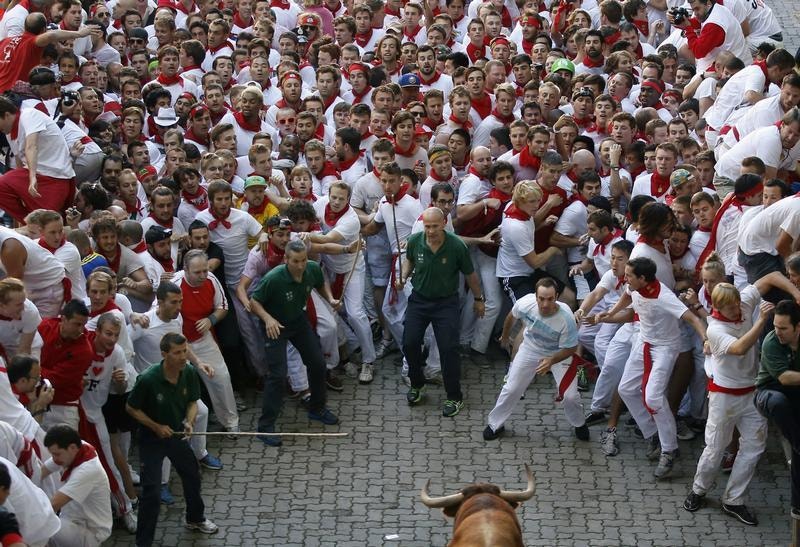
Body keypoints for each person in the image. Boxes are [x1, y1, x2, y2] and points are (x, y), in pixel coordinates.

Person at [602, 257, 708, 480]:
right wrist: (611, 313)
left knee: (653, 398)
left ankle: (669, 449)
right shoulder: (634, 287)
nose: (625, 278)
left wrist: (705, 339)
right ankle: (653, 434)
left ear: (643, 278)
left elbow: (692, 318)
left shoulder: (664, 296)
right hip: (644, 341)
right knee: (626, 389)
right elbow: (626, 296)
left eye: (630, 275)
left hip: (666, 348)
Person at [684, 283, 773, 526]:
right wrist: (761, 320)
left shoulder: (741, 302)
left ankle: (734, 499)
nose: (737, 309)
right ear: (717, 307)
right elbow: (740, 347)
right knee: (715, 447)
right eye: (730, 306)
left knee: (754, 446)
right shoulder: (715, 329)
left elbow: (771, 276)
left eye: (737, 303)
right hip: (724, 397)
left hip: (750, 394)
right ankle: (699, 490)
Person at [126, 332, 220, 546]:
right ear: (164, 354)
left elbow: (193, 402)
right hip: (151, 439)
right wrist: (156, 426)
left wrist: (188, 421)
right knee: (151, 492)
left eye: (185, 351)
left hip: (176, 434)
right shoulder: (148, 379)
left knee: (192, 474)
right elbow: (131, 408)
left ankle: (195, 519)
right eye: (177, 353)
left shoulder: (187, 372)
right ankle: (144, 542)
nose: (183, 356)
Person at [249, 240, 341, 446]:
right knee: (277, 375)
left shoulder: (312, 269)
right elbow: (254, 302)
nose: (300, 266)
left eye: (303, 260)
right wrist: (268, 319)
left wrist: (330, 299)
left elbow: (320, 283)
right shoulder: (273, 278)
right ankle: (265, 428)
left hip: (298, 320)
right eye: (296, 261)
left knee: (317, 363)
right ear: (285, 259)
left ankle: (317, 409)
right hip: (275, 326)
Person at [398, 207, 484, 417]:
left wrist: (479, 299)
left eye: (435, 226)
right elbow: (409, 260)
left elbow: (470, 274)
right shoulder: (415, 240)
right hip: (419, 300)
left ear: (444, 223)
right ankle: (417, 385)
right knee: (409, 343)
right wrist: (403, 276)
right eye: (427, 226)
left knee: (448, 349)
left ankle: (454, 397)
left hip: (446, 303)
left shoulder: (456, 245)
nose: (430, 231)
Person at [485, 277, 588, 441]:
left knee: (570, 396)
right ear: (535, 296)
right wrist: (505, 338)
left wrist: (551, 360)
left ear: (557, 297)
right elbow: (511, 317)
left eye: (550, 299)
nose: (545, 304)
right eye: (541, 299)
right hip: (531, 349)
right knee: (511, 388)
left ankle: (579, 423)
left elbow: (571, 348)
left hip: (560, 354)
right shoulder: (525, 303)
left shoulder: (566, 318)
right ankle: (495, 424)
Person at [754, 299, 800, 520]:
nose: (778, 332)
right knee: (779, 402)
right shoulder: (771, 342)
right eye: (775, 326)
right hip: (769, 393)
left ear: (798, 327)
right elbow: (785, 378)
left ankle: (797, 507)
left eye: (783, 328)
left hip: (796, 393)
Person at [41, 425, 112, 547]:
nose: (54, 459)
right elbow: (42, 471)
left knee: (40, 527)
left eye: (57, 454)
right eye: (52, 455)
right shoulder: (78, 448)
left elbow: (54, 505)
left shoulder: (87, 470)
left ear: (72, 448)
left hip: (89, 532)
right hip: (73, 522)